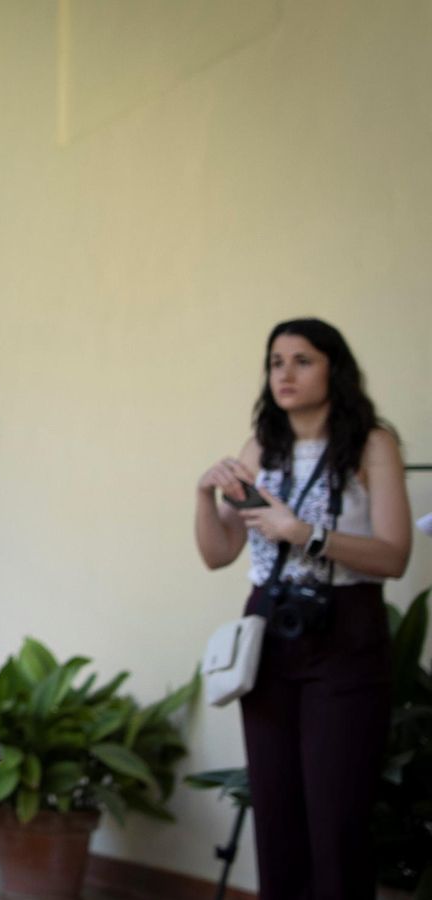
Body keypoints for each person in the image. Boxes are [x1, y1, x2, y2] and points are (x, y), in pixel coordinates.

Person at [194, 318, 411, 900]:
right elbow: (219, 554)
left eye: (302, 360)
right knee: (276, 814)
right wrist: (202, 494)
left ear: (333, 369)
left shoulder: (372, 442)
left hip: (346, 630)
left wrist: (304, 533)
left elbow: (394, 555)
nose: (285, 373)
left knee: (338, 820)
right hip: (270, 625)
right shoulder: (261, 447)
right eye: (275, 362)